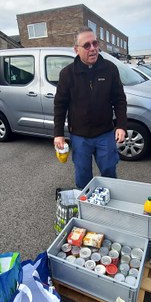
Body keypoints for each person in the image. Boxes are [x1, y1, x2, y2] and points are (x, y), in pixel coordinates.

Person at [53, 26, 127, 189]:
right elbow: (60, 105)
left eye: (95, 43)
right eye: (87, 45)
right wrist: (58, 134)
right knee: (83, 174)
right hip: (80, 136)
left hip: (105, 133)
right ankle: (86, 205)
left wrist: (121, 125)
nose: (93, 48)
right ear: (76, 49)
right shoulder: (67, 74)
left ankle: (110, 201)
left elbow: (119, 99)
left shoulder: (110, 69)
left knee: (109, 170)